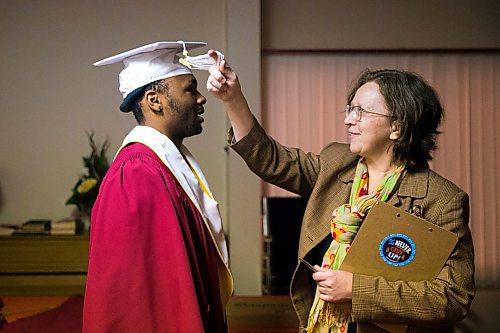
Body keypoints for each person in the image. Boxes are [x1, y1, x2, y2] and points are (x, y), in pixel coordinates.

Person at [207, 52, 474, 333]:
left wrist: (356, 290)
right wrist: (232, 99)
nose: (348, 120)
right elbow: (271, 159)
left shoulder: (442, 200)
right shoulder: (335, 164)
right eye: (350, 109)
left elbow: (454, 297)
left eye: (361, 112)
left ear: (397, 127)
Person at [83, 42, 233, 333]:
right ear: (155, 101)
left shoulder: (164, 162)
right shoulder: (137, 173)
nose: (201, 98)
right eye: (190, 89)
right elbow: (141, 298)